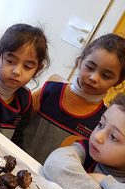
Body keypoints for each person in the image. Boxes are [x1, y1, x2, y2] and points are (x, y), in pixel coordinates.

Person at [22, 33, 125, 164]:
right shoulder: (50, 90)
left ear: (117, 81)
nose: (94, 77)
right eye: (90, 67)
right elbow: (18, 117)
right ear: (80, 62)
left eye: (105, 76)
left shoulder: (103, 122)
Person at [43, 93, 125, 189]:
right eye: (100, 124)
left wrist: (105, 180)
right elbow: (55, 164)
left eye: (113, 136)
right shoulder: (88, 151)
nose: (98, 136)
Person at [0, 23, 49, 147]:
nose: (17, 71)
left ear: (37, 70)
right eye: (10, 61)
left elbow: (16, 140)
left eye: (27, 67)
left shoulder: (25, 99)